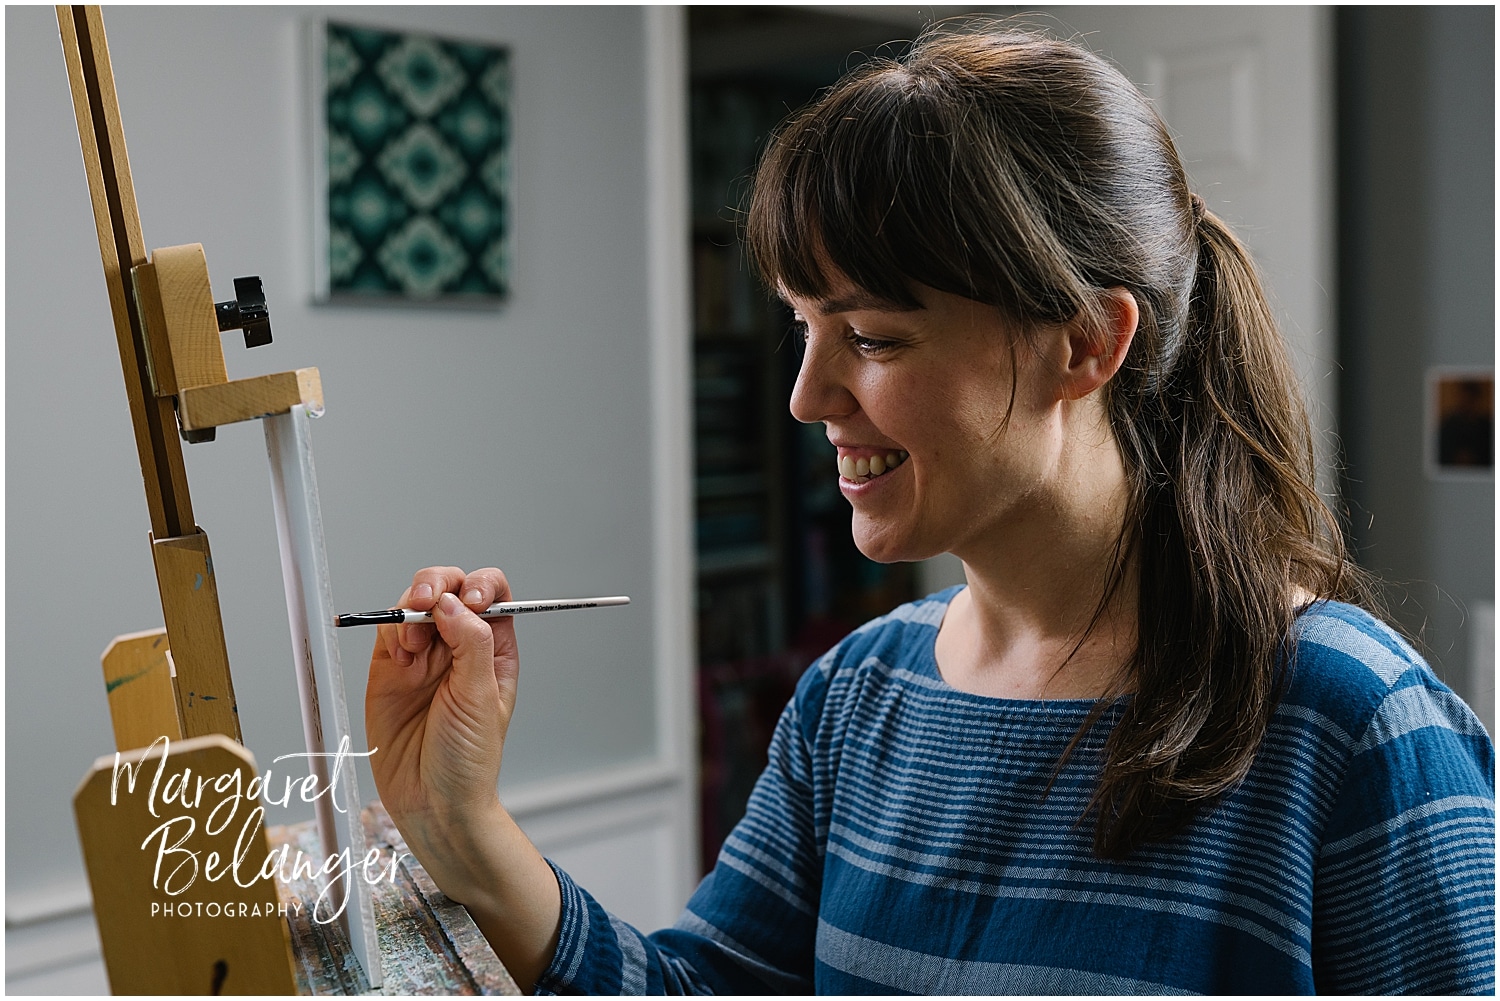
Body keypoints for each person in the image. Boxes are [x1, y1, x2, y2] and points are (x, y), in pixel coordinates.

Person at [364, 25, 1495, 995]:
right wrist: (461, 825)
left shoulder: (1349, 722)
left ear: (1087, 342)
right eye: (803, 325)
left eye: (872, 337)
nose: (809, 397)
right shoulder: (857, 696)